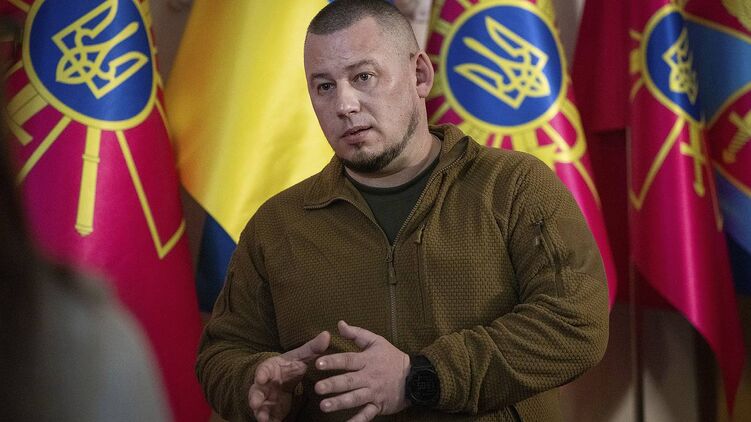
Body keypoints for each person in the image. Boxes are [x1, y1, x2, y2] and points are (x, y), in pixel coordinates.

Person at [196, 1, 609, 421]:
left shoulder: (515, 186)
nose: (344, 105)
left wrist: (422, 377)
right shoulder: (276, 224)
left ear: (420, 75)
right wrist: (254, 383)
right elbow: (222, 352)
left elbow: (577, 323)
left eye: (363, 77)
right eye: (324, 86)